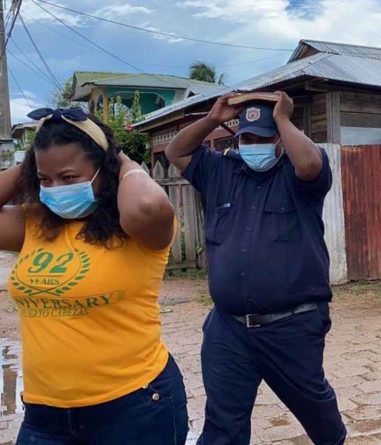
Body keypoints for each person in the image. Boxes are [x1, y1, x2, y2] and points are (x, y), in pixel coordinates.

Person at [166, 92, 346, 445]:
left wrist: (283, 119)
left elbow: (310, 165)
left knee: (317, 413)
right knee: (222, 426)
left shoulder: (299, 176)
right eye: (247, 138)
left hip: (292, 326)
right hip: (227, 330)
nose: (254, 145)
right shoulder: (221, 172)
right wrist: (212, 119)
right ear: (237, 139)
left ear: (279, 140)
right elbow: (177, 153)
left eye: (264, 138)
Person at [0, 108, 188, 444]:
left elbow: (145, 206)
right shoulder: (33, 224)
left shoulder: (136, 227)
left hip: (133, 407)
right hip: (45, 416)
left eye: (69, 177)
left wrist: (118, 158)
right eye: (45, 180)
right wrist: (33, 163)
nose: (55, 188)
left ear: (105, 170)